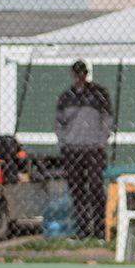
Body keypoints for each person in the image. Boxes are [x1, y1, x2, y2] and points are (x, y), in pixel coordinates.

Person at [54, 60, 113, 241]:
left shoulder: (99, 93)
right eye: (77, 74)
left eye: (83, 74)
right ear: (73, 75)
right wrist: (64, 141)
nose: (80, 77)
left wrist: (102, 138)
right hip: (72, 149)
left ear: (86, 74)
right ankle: (82, 231)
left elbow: (108, 117)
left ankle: (99, 230)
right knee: (77, 189)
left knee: (95, 188)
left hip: (94, 148)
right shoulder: (66, 97)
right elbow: (59, 122)